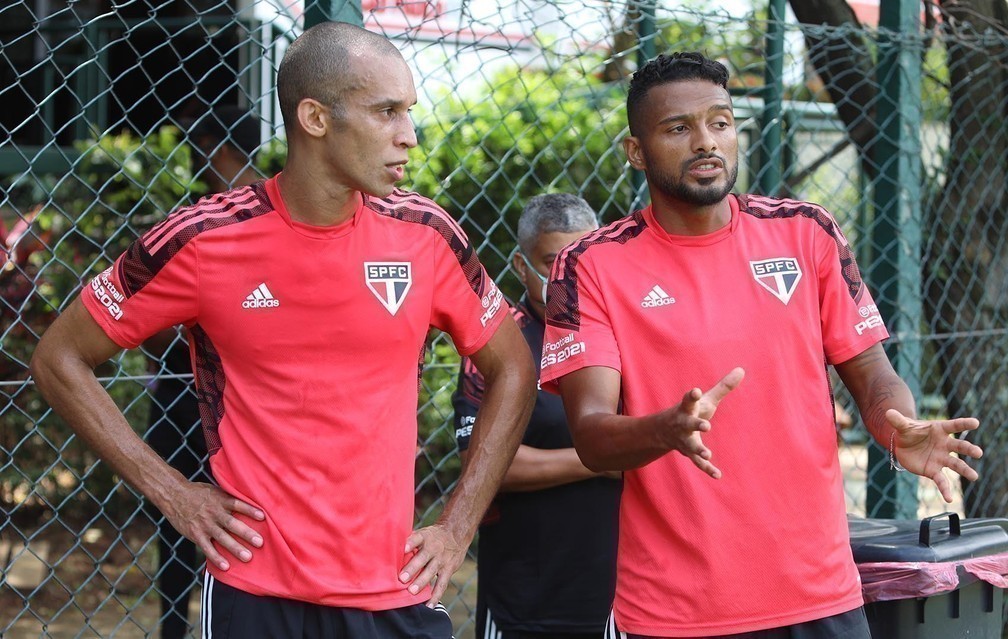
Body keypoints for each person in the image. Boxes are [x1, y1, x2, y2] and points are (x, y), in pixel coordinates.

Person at [30, 21, 536, 639]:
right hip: (254, 589)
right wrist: (173, 492)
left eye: (409, 112)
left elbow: (514, 367)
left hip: (397, 585)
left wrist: (458, 523)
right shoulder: (201, 240)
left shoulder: (426, 236)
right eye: (386, 113)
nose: (410, 136)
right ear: (316, 119)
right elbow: (59, 358)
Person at [539, 52, 984, 639]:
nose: (706, 142)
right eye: (678, 128)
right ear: (636, 151)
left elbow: (872, 372)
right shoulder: (590, 263)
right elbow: (592, 433)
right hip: (678, 612)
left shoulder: (806, 232)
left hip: (819, 594)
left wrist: (896, 427)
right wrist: (663, 429)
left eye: (720, 122)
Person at [452, 193, 620, 639]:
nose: (568, 275)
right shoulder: (500, 342)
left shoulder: (624, 331)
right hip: (524, 597)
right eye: (553, 261)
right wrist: (603, 458)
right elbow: (483, 462)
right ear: (521, 265)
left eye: (580, 259)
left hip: (622, 595)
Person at [141, 105, 262, 639]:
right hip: (217, 396)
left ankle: (178, 629)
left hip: (192, 397)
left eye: (200, 144)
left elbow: (156, 329)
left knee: (184, 534)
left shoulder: (200, 226)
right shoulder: (274, 212)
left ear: (214, 147)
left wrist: (185, 318)